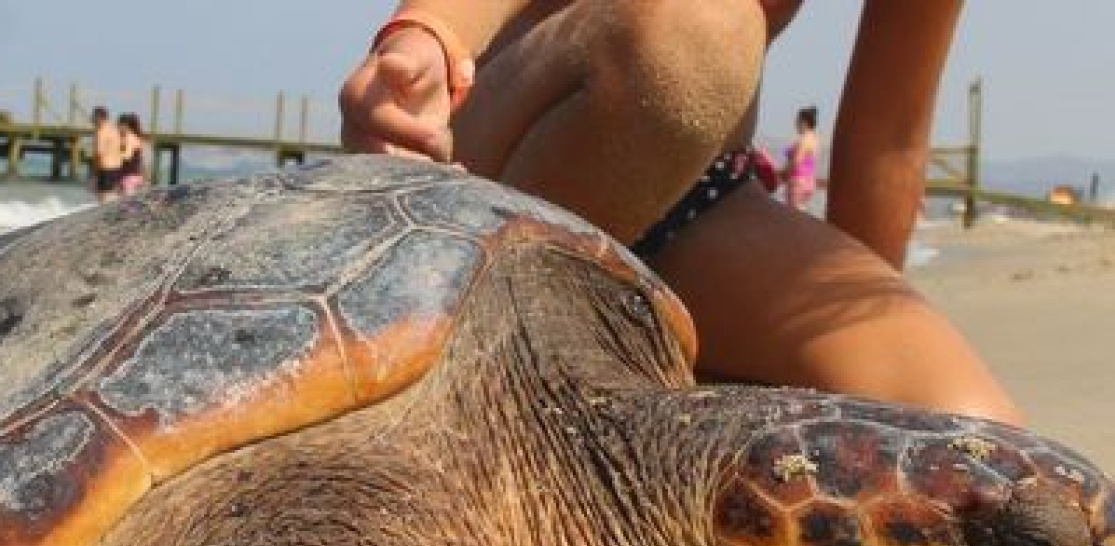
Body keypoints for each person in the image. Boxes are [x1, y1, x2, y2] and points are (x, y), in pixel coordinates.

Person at [339, 0, 1021, 424]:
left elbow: (889, 135)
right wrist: (429, 30)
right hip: (503, 151)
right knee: (700, 33)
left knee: (975, 450)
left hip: (694, 197)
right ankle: (468, 410)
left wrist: (855, 422)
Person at [780, 105, 821, 211]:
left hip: (797, 182)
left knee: (792, 216)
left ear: (804, 122)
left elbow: (796, 162)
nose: (795, 124)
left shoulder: (804, 140)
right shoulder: (815, 139)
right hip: (809, 181)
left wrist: (782, 172)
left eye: (797, 121)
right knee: (799, 214)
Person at [89, 106, 123, 203]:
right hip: (117, 168)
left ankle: (102, 215)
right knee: (112, 196)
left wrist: (94, 174)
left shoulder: (100, 132)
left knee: (102, 197)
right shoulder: (114, 129)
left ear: (100, 118)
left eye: (93, 117)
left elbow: (98, 155)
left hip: (105, 168)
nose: (91, 119)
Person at [117, 113, 148, 196]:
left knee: (126, 204)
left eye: (119, 125)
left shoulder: (130, 138)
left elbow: (127, 156)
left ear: (126, 126)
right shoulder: (136, 138)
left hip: (129, 177)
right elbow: (142, 160)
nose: (117, 128)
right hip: (135, 176)